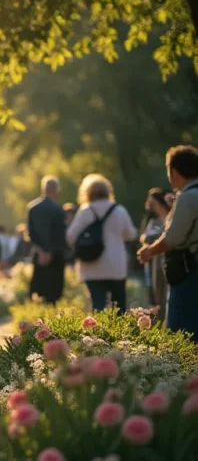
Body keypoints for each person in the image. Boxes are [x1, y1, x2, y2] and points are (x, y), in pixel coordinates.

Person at [138, 145, 198, 338]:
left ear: (173, 171)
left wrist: (150, 251)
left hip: (188, 269)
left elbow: (173, 237)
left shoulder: (188, 197)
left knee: (181, 328)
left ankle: (186, 368)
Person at [66, 174, 137, 312]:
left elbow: (70, 236)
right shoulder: (119, 210)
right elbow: (131, 234)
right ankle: (119, 333)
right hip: (116, 265)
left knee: (98, 305)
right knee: (119, 307)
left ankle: (98, 333)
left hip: (92, 266)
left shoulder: (85, 211)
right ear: (108, 191)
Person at [27, 176, 67, 304]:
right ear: (56, 190)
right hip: (55, 256)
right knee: (53, 294)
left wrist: (41, 252)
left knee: (38, 289)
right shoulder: (58, 210)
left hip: (39, 256)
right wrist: (49, 252)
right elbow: (59, 235)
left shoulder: (32, 208)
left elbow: (30, 233)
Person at [140, 188, 172, 321]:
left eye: (153, 202)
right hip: (151, 261)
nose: (149, 205)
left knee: (164, 291)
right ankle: (155, 321)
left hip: (163, 259)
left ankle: (164, 320)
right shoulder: (150, 219)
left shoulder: (169, 217)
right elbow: (142, 237)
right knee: (153, 291)